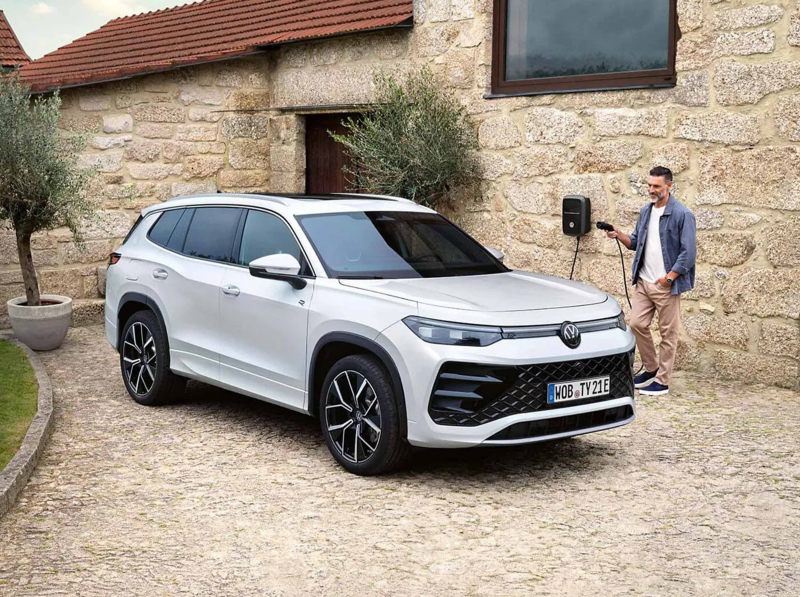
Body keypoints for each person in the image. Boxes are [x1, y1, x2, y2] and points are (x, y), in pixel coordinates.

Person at [605, 166, 696, 396]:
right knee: (636, 324)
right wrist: (619, 234)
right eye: (649, 185)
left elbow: (688, 254)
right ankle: (652, 367)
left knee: (668, 334)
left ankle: (662, 381)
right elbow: (635, 242)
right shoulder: (646, 211)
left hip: (666, 285)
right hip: (643, 282)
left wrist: (669, 278)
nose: (651, 190)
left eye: (656, 186)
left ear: (669, 185)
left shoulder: (682, 214)